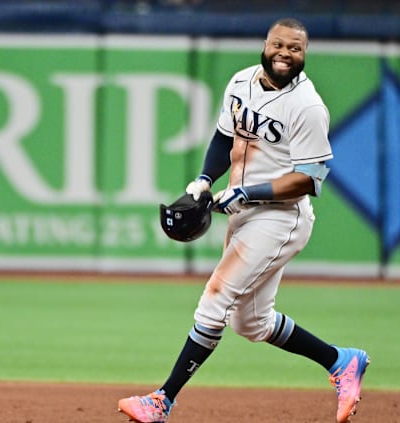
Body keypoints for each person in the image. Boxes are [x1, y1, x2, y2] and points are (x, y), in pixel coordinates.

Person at [117, 17, 369, 423]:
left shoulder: (307, 106)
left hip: (281, 217)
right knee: (250, 323)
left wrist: (248, 192)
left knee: (215, 297)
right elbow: (223, 137)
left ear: (305, 55)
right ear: (265, 44)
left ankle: (162, 400)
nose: (286, 53)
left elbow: (308, 179)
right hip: (244, 213)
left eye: (296, 48)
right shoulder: (241, 82)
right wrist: (204, 179)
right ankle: (342, 361)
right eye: (279, 44)